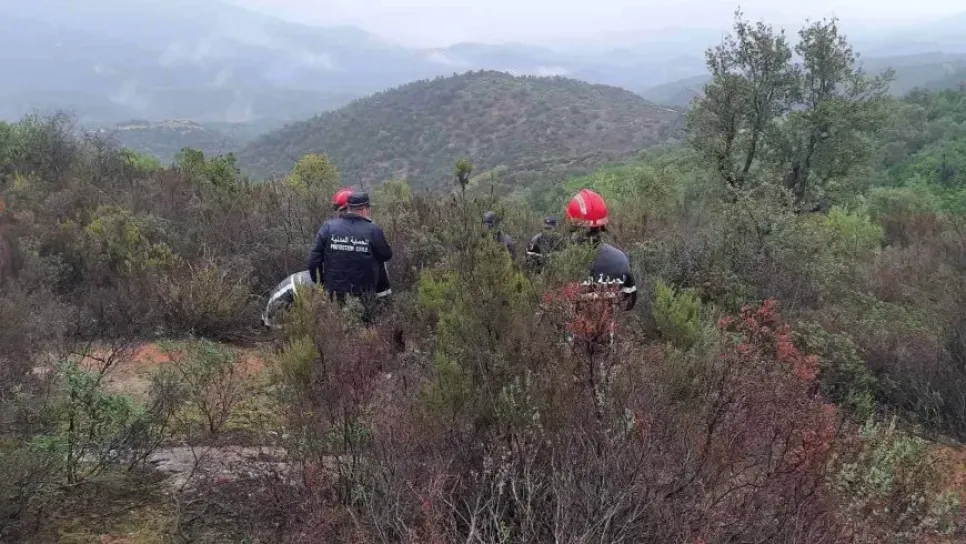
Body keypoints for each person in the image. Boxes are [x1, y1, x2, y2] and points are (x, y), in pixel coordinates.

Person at [544, 189, 636, 346]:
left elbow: (551, 307)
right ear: (603, 224)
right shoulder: (620, 258)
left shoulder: (560, 262)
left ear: (573, 224)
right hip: (609, 345)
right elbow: (629, 302)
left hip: (569, 347)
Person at [307, 191, 393, 320]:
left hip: (334, 292)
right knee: (366, 325)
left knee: (338, 323)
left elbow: (313, 261)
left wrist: (322, 283)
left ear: (349, 208)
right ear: (364, 210)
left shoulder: (328, 227)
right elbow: (386, 256)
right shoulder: (373, 230)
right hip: (365, 294)